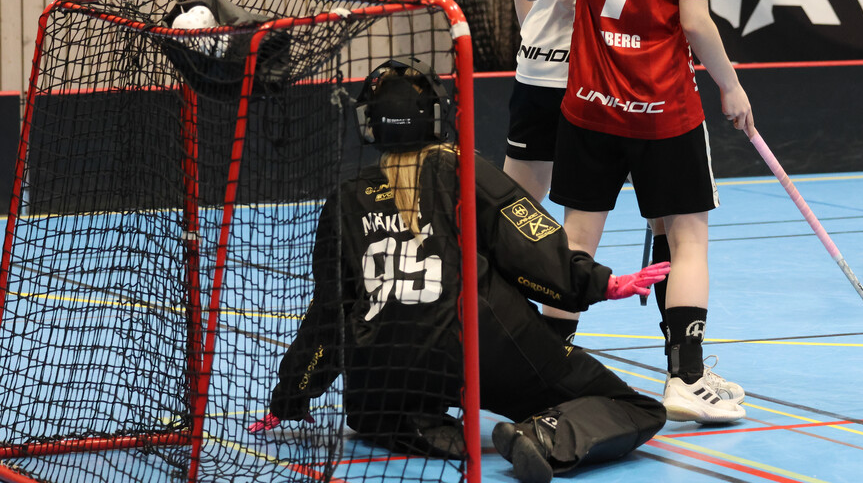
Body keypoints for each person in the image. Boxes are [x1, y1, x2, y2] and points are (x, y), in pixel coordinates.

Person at [250, 59, 670, 483]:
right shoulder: (460, 169)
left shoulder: (346, 197)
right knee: (634, 406)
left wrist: (292, 394)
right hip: (478, 347)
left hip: (386, 368)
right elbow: (525, 242)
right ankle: (544, 435)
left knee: (367, 406)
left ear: (369, 123)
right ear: (436, 114)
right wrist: (599, 283)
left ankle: (407, 420)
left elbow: (329, 312)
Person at [508, 0, 744, 407]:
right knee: (686, 236)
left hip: (587, 101)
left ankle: (544, 376)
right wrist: (731, 86)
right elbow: (695, 22)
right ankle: (686, 379)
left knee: (575, 240)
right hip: (664, 105)